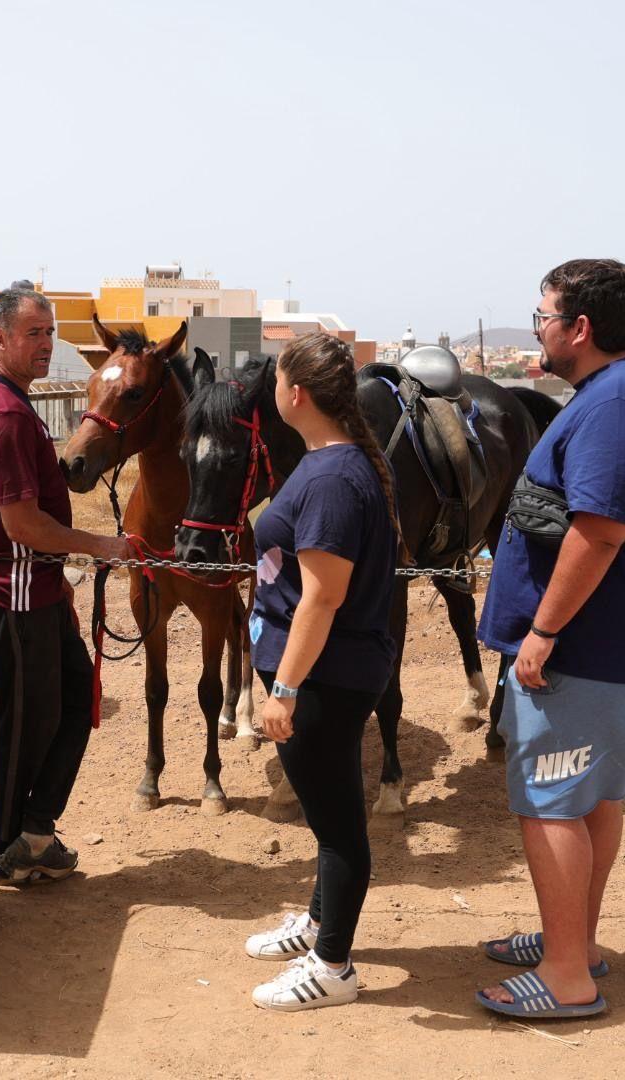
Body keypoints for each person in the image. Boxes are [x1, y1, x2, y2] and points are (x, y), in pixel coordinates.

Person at [474, 259, 625, 1019]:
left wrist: (542, 631)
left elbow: (598, 532)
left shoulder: (618, 403)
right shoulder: (620, 393)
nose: (540, 330)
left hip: (584, 652)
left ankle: (567, 978)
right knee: (591, 797)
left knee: (550, 802)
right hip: (613, 647)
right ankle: (576, 941)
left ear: (579, 327)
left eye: (543, 316)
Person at [241, 332, 401, 1012]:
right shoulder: (326, 461)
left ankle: (333, 966)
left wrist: (284, 689)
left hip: (323, 679)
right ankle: (317, 925)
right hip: (319, 672)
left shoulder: (334, 477)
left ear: (295, 394)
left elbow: (324, 595)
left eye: (277, 380)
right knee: (322, 812)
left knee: (337, 825)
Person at [0, 282, 130, 886]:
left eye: (50, 332)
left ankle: (34, 830)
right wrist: (98, 547)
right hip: (14, 591)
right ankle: (5, 848)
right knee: (26, 717)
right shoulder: (1, 414)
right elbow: (22, 524)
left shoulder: (1, 399)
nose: (46, 345)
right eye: (34, 333)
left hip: (37, 585)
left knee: (75, 701)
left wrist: (63, 578)